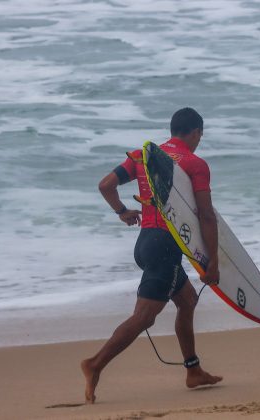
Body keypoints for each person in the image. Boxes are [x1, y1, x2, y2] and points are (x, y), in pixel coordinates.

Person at [81, 107, 223, 404]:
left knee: (188, 300)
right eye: (200, 135)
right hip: (166, 247)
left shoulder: (143, 156)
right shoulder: (194, 164)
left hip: (146, 242)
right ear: (196, 132)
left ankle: (193, 371)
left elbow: (105, 185)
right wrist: (213, 262)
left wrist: (122, 212)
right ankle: (95, 364)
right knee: (144, 317)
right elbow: (206, 216)